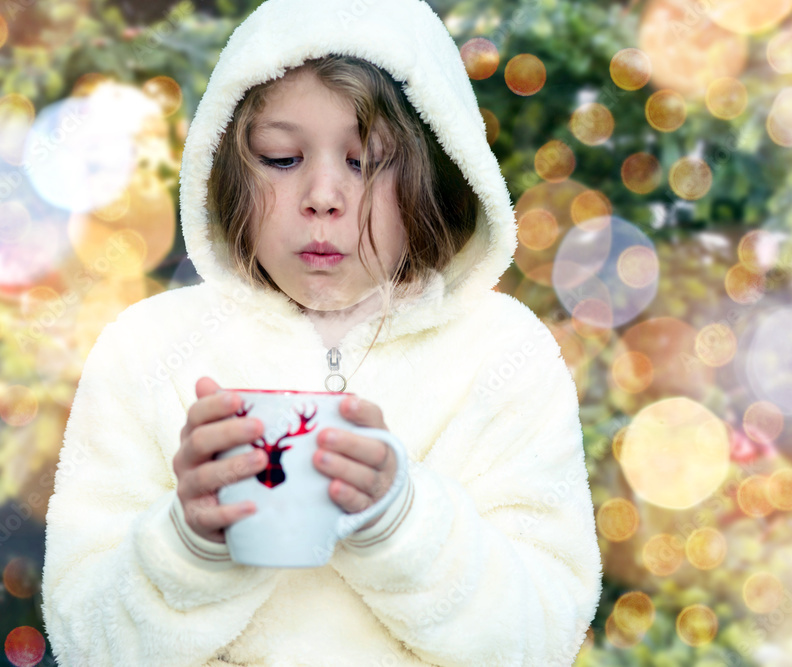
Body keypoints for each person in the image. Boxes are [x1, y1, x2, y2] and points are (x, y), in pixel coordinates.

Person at [41, 0, 603, 664]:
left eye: (365, 160)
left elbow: (541, 636)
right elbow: (86, 638)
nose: (323, 195)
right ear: (226, 163)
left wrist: (403, 521)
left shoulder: (505, 355)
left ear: (435, 171)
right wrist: (189, 542)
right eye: (281, 157)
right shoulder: (147, 350)